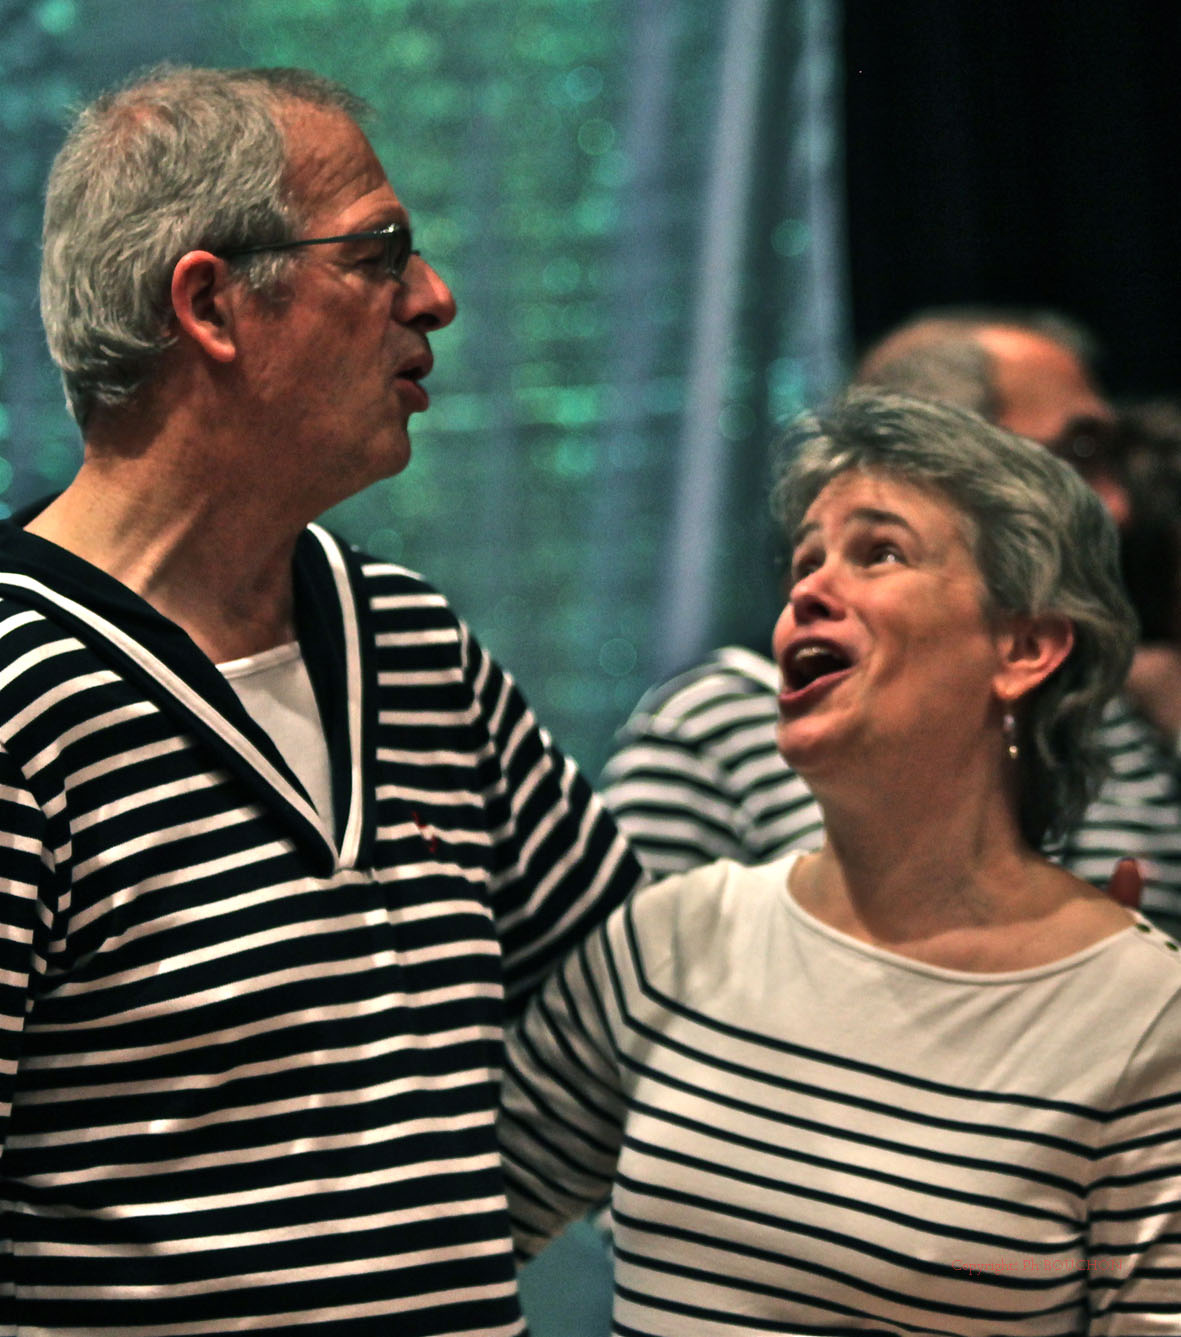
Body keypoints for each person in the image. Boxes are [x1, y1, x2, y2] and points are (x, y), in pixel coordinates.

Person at [0, 65, 642, 1332]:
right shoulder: (23, 698)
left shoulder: (406, 639)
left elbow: (627, 996)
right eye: (378, 254)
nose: (434, 296)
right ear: (210, 304)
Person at [499, 391, 1181, 1335]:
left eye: (879, 553)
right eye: (804, 561)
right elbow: (436, 1234)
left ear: (1022, 647)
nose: (808, 592)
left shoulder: (1145, 1020)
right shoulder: (676, 937)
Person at [602, 309, 1181, 937]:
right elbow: (630, 980)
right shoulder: (720, 726)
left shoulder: (1138, 718)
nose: (1117, 505)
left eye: (877, 554)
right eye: (1081, 453)